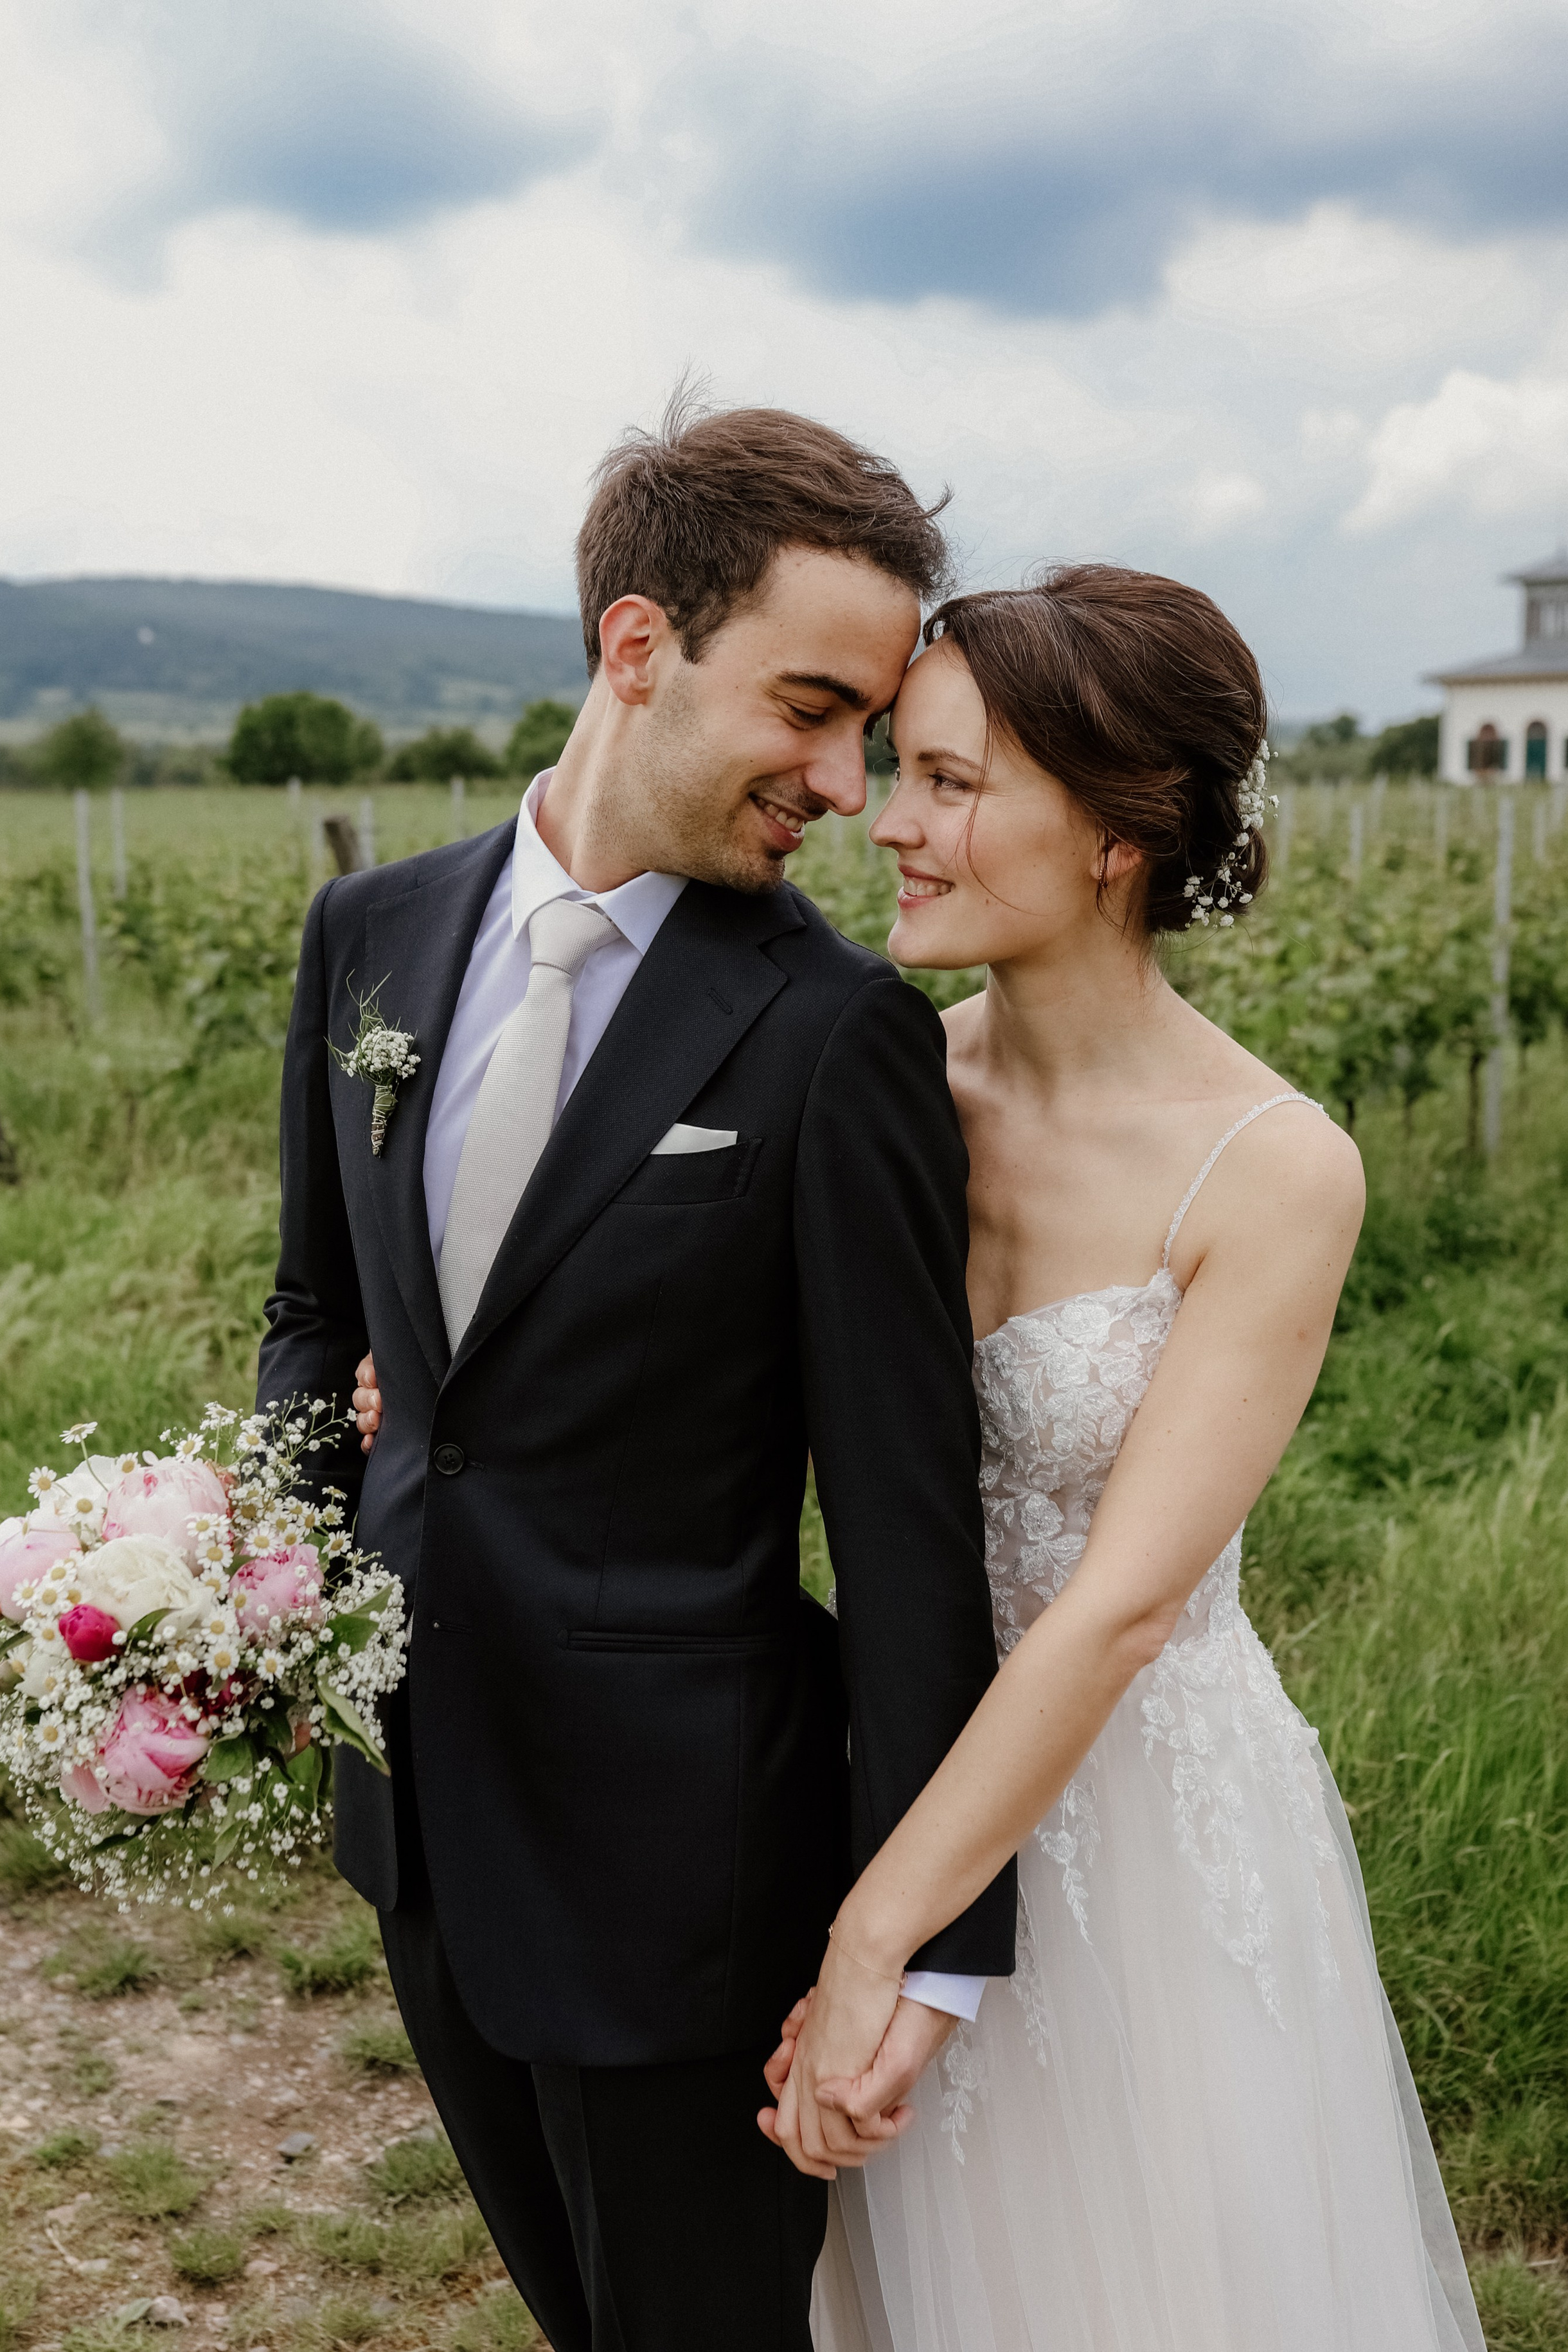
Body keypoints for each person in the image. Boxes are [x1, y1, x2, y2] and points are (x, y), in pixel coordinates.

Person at [256, 398, 1015, 2352]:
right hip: (417, 1819)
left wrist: (920, 1947)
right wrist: (260, 1597)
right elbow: (315, 1321)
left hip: (688, 1887)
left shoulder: (836, 1038)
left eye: (870, 730)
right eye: (811, 706)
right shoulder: (368, 935)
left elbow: (912, 1531)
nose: (845, 780)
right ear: (638, 645)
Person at [764, 569, 1485, 2352]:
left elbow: (1123, 1605)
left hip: (1150, 1828)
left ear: (1117, 829)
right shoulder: (891, 1094)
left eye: (947, 781)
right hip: (907, 1748)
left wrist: (881, 1939)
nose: (891, 825)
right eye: (893, 769)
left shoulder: (1272, 1167)